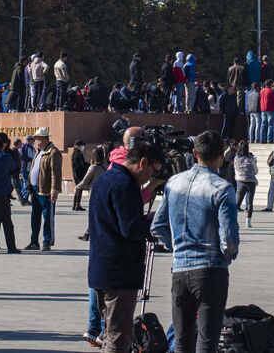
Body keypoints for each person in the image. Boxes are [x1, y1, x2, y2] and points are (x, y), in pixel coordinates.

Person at [151, 131, 240, 353]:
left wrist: (177, 249)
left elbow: (157, 226)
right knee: (207, 341)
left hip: (180, 270)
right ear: (221, 156)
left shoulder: (173, 182)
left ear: (194, 153)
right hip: (210, 270)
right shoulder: (222, 187)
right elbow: (228, 237)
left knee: (182, 340)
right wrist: (226, 256)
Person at [88, 136, 166, 353]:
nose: (152, 177)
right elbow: (131, 229)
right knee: (119, 337)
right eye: (153, 170)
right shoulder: (125, 185)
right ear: (143, 163)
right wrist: (153, 221)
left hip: (101, 267)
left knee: (111, 333)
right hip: (119, 271)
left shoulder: (105, 179)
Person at [26, 128, 63, 251]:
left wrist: (54, 190)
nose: (36, 142)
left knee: (47, 217)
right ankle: (34, 242)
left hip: (46, 190)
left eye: (38, 139)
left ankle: (47, 242)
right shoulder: (39, 151)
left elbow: (55, 173)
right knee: (34, 217)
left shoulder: (53, 152)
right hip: (35, 190)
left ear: (45, 139)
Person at [232, 141, 258, 228]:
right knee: (250, 202)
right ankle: (248, 221)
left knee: (237, 202)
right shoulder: (251, 158)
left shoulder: (236, 158)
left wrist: (238, 176)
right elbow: (255, 171)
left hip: (240, 180)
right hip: (250, 181)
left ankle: (233, 220)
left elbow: (235, 168)